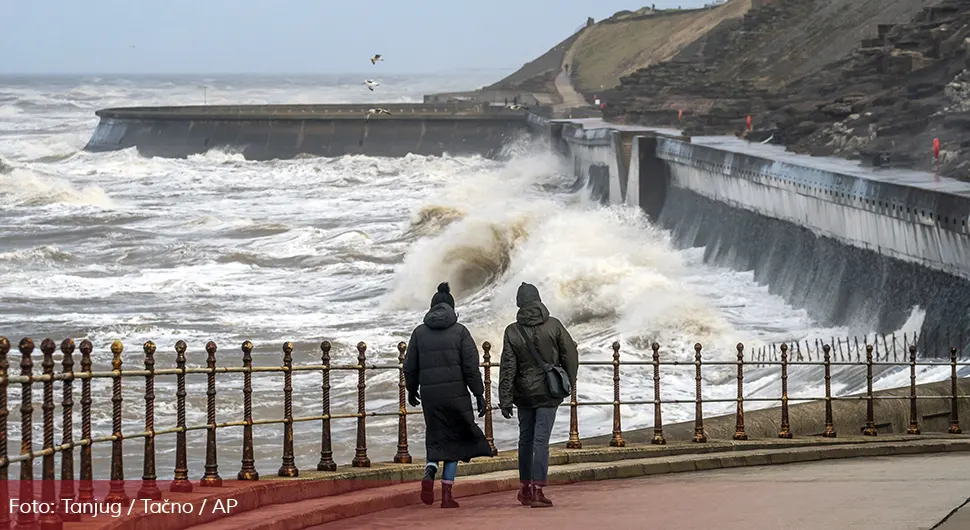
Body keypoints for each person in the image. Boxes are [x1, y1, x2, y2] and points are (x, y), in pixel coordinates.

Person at [404, 282, 492, 509]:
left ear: (432, 308)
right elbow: (470, 368)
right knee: (454, 442)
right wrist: (479, 394)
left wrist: (412, 389)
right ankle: (446, 495)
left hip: (431, 396)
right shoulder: (461, 331)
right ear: (452, 308)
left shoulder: (419, 333)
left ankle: (430, 470)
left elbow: (409, 367)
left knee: (436, 436)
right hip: (456, 395)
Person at [498, 282, 579, 508]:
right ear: (539, 299)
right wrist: (569, 382)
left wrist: (505, 398)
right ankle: (537, 489)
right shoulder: (554, 325)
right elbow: (570, 354)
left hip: (523, 394)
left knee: (525, 440)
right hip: (548, 391)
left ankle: (524, 488)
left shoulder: (512, 330)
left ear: (519, 303)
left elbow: (508, 368)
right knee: (541, 440)